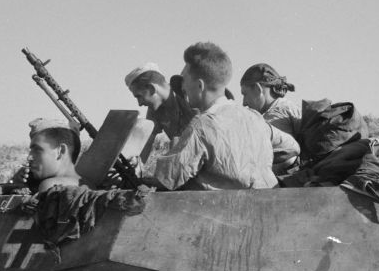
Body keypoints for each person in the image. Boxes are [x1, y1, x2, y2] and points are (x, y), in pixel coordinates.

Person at [147, 42, 300, 191]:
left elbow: (167, 179)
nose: (183, 87)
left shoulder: (201, 125)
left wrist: (141, 180)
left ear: (200, 86)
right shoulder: (255, 117)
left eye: (185, 80)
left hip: (222, 212)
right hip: (267, 206)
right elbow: (292, 147)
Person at [125, 63, 196, 141]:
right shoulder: (154, 110)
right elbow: (148, 142)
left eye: (139, 96)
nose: (140, 103)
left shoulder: (188, 96)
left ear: (152, 88)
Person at [240, 63, 302, 139]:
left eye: (245, 94)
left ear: (257, 89)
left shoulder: (275, 116)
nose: (244, 103)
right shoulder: (289, 107)